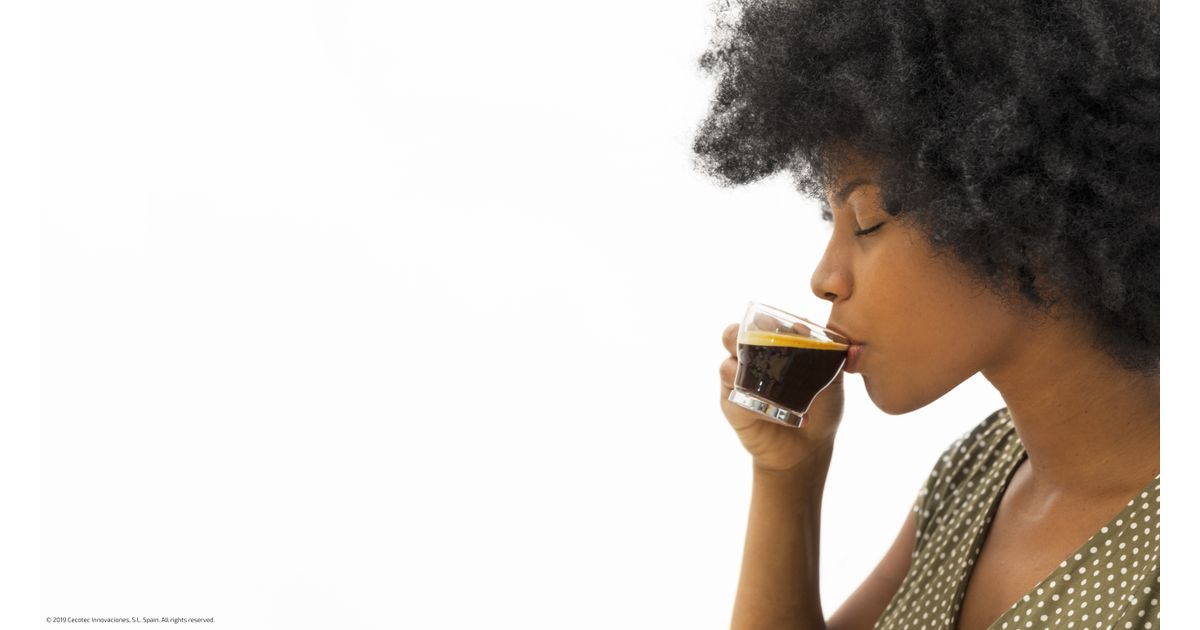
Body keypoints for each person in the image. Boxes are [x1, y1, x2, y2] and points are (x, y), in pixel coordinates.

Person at [694, 1, 1159, 628]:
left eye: (866, 222)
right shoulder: (975, 473)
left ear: (1013, 207)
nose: (824, 279)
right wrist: (789, 474)